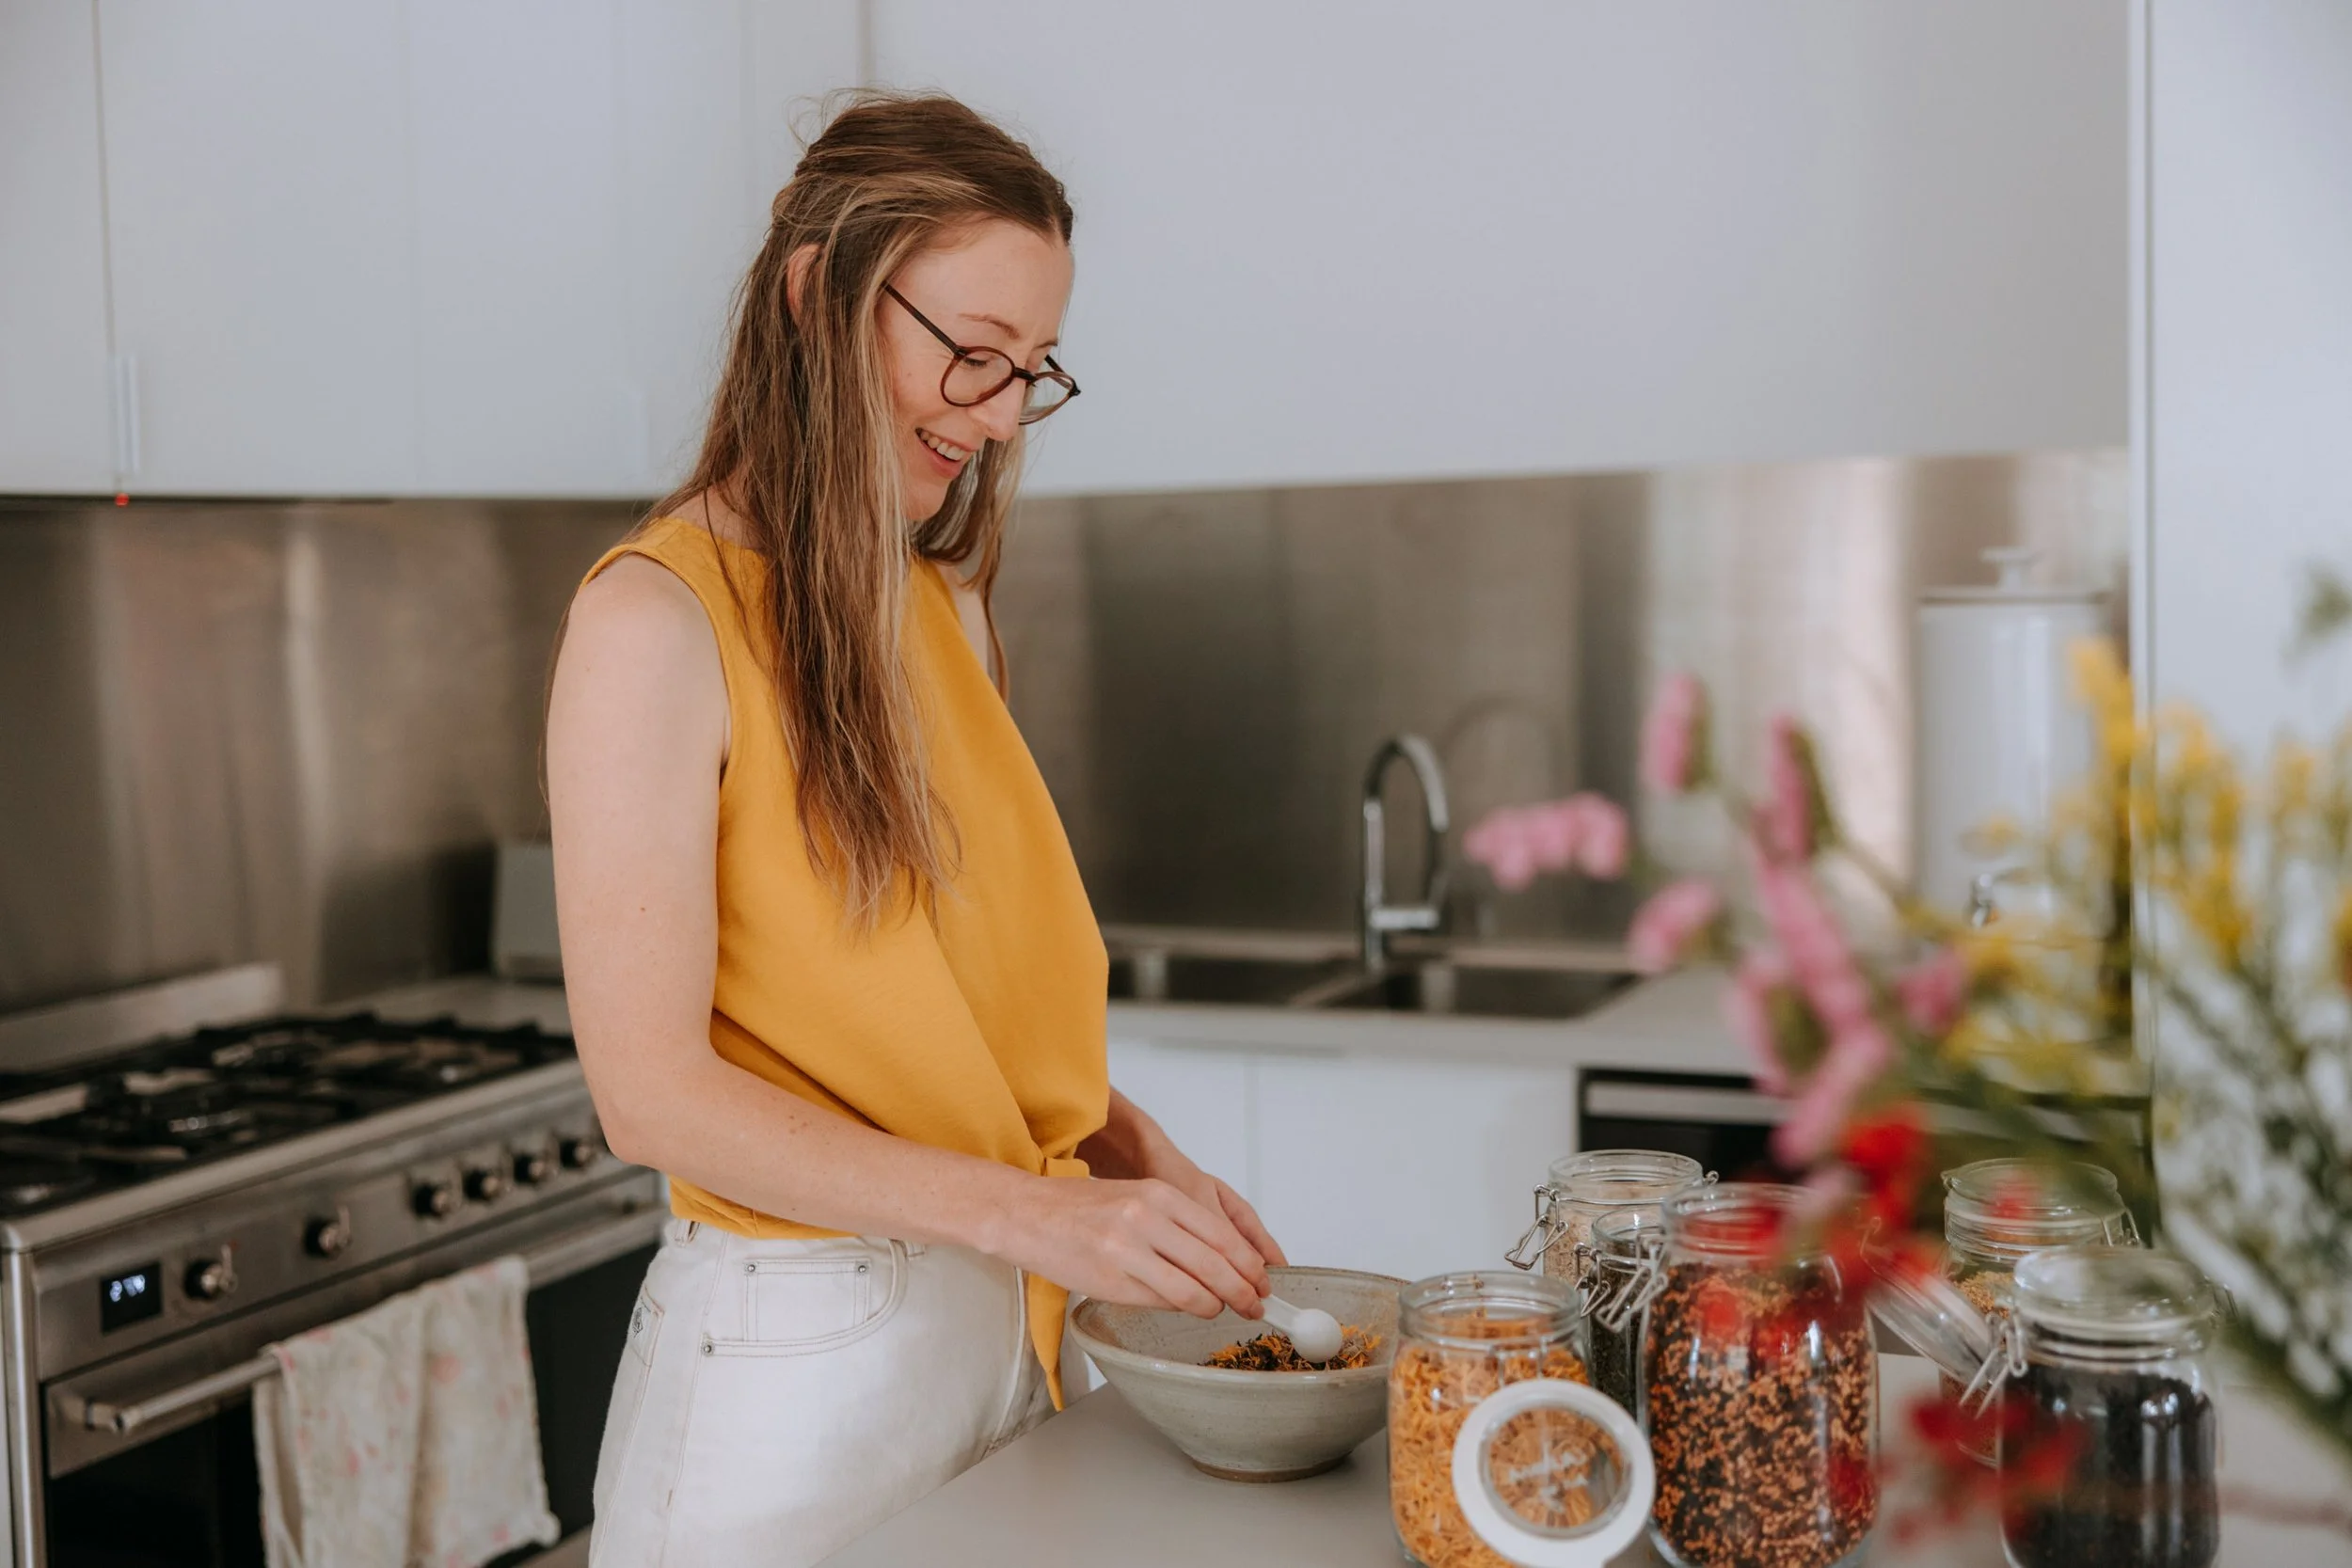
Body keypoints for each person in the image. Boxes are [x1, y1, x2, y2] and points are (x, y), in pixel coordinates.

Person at [546, 92, 1283, 1568]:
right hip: (794, 1377)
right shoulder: (653, 618)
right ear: (821, 292)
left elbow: (966, 1025)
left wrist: (1132, 1155)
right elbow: (654, 1097)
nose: (1001, 414)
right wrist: (1043, 1218)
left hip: (1007, 1341)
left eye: (1030, 371)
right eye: (970, 354)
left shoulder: (941, 605)